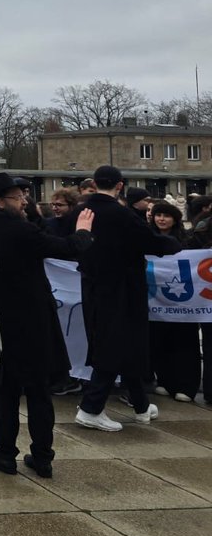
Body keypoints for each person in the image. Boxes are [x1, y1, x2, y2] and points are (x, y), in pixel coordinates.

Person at [0, 173, 95, 479]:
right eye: (18, 197)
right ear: (0, 201)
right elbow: (67, 247)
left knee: (6, 391)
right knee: (39, 391)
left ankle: (5, 452)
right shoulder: (20, 229)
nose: (24, 200)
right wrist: (83, 230)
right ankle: (42, 456)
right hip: (33, 320)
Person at [75, 166, 182, 432]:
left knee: (127, 343)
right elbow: (151, 242)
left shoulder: (85, 211)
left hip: (93, 285)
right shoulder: (121, 214)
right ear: (120, 185)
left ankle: (141, 405)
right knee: (117, 343)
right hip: (122, 288)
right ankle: (91, 407)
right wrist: (174, 246)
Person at [148, 201, 198, 402]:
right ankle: (165, 380)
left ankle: (187, 385)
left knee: (185, 342)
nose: (161, 219)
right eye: (158, 215)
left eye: (166, 216)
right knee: (160, 341)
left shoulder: (187, 240)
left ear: (175, 219)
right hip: (157, 301)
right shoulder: (148, 238)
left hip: (184, 303)